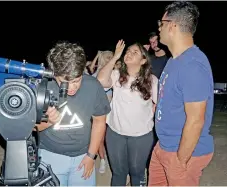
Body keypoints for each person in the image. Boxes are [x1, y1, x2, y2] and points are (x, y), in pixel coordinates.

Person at [148, 1, 214, 186]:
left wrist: (180, 160)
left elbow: (195, 120)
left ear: (172, 25)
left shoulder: (192, 65)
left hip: (182, 153)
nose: (159, 27)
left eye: (161, 23)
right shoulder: (174, 60)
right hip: (164, 146)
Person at [35, 41, 111, 186]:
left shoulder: (93, 86)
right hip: (50, 157)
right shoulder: (43, 87)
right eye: (65, 82)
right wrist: (49, 121)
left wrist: (91, 155)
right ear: (54, 73)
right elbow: (31, 127)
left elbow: (99, 121)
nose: (71, 87)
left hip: (83, 157)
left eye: (76, 81)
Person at [97, 40, 158, 186]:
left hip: (141, 135)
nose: (129, 53)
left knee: (137, 172)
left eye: (135, 52)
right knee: (118, 173)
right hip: (115, 132)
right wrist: (115, 56)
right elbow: (100, 80)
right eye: (128, 51)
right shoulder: (116, 75)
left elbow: (161, 104)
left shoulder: (152, 80)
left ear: (143, 60)